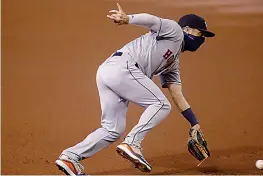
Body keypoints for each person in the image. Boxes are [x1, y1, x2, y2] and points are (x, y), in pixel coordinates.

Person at [55, 3, 215, 175]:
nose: (202, 39)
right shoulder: (175, 31)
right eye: (201, 34)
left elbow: (177, 94)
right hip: (123, 67)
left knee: (112, 129)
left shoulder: (172, 63)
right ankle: (132, 143)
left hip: (108, 71)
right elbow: (152, 20)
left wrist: (194, 123)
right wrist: (128, 19)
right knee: (161, 105)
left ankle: (70, 157)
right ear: (188, 30)